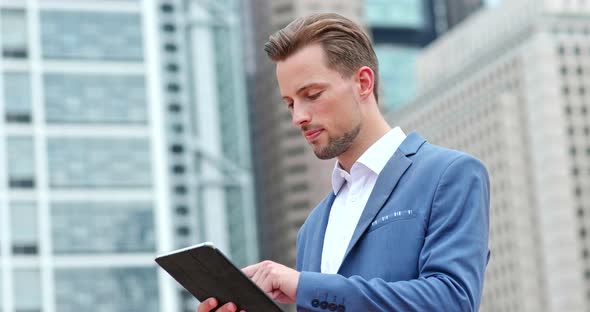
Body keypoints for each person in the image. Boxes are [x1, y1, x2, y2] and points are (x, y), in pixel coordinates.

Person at [198, 13, 490, 312]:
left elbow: (453, 301)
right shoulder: (313, 228)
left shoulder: (449, 174)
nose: (298, 117)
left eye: (311, 95)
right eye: (290, 104)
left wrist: (302, 286)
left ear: (363, 82)